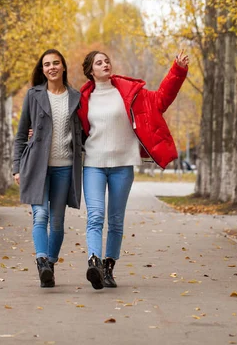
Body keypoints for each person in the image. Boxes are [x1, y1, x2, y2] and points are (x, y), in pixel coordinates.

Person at [77, 50, 189, 289]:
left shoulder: (129, 92)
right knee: (95, 216)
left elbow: (161, 100)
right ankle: (94, 261)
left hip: (122, 166)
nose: (105, 64)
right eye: (99, 62)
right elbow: (65, 123)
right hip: (94, 165)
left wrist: (177, 71)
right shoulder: (83, 98)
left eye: (107, 60)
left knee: (116, 221)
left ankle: (108, 268)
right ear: (90, 71)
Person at [12, 49, 83, 288]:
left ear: (63, 66)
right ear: (42, 70)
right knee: (40, 215)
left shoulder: (75, 97)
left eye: (56, 63)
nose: (51, 67)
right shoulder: (33, 95)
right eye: (46, 64)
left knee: (58, 221)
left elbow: (82, 131)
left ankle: (50, 265)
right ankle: (41, 261)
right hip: (36, 167)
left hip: (64, 168)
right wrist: (16, 168)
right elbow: (21, 134)